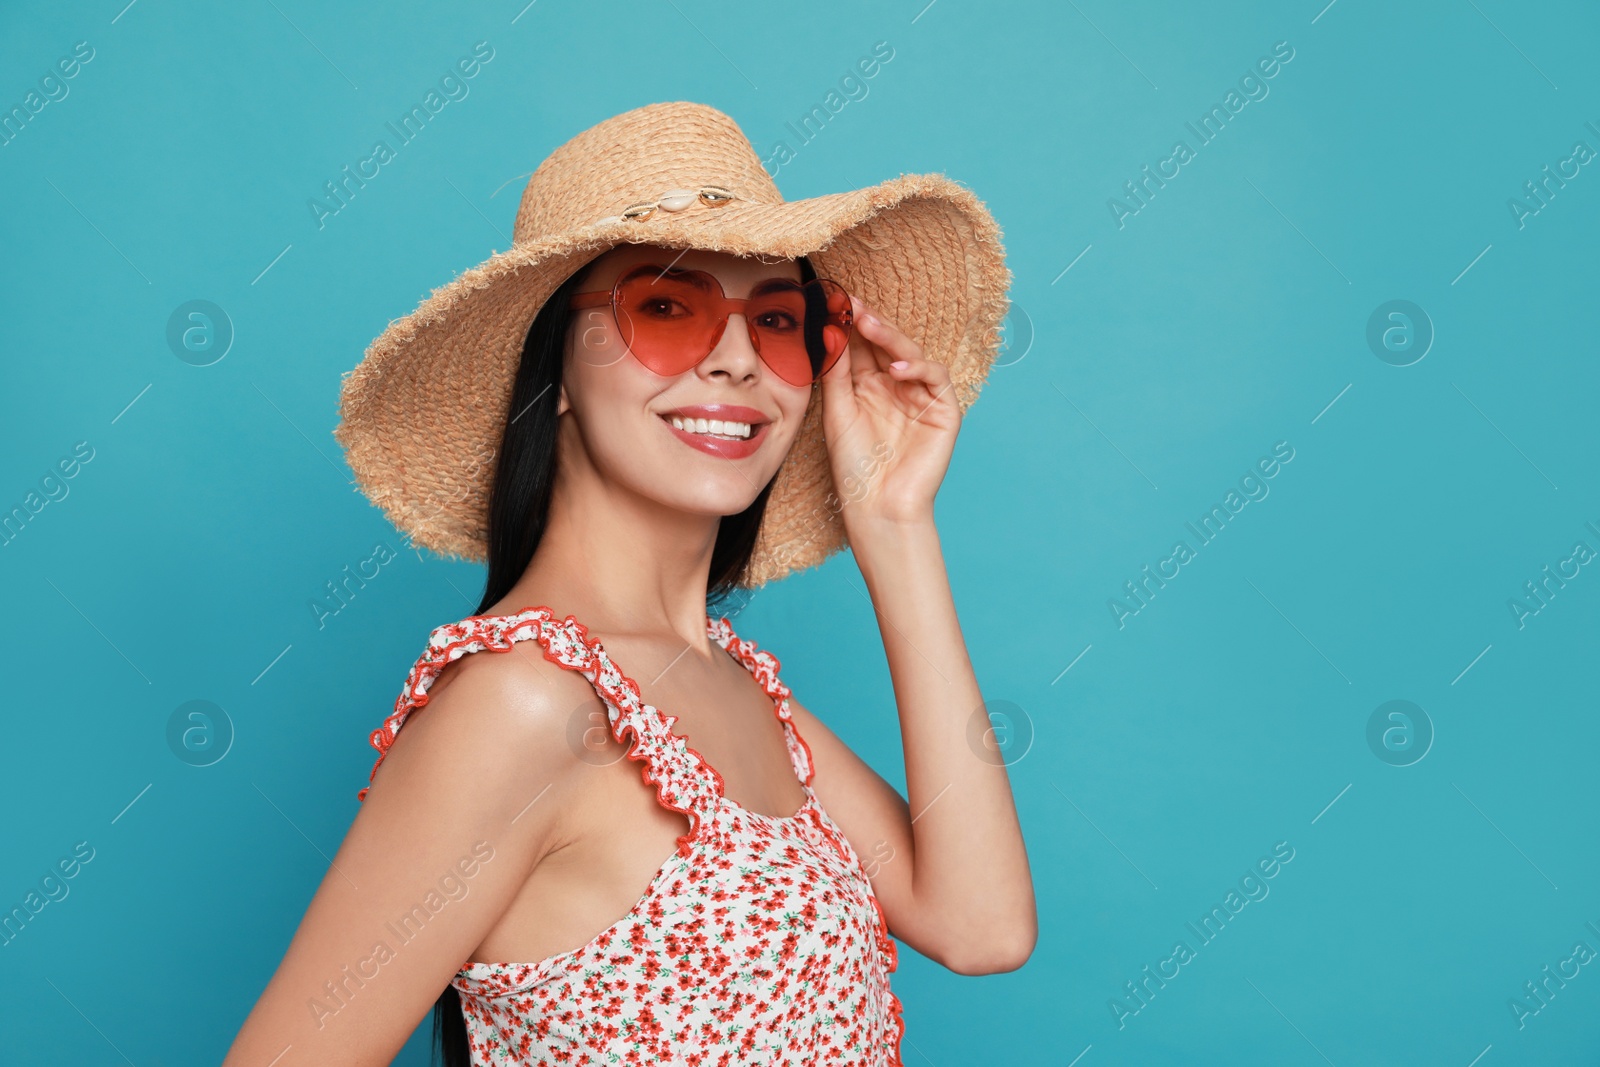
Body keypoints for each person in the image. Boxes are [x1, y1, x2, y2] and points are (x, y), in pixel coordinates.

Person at [224, 101, 1034, 1067]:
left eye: (778, 322)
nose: (736, 358)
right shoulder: (522, 705)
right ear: (557, 368)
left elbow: (982, 927)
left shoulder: (736, 684)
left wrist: (894, 526)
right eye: (666, 307)